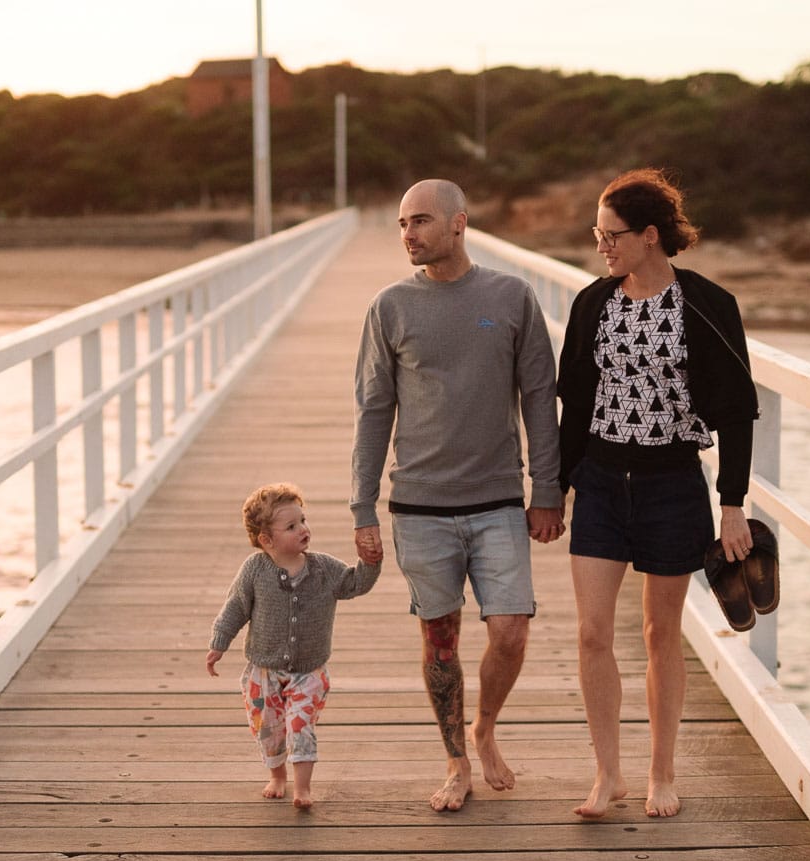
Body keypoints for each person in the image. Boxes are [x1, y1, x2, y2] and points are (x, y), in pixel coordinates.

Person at [352, 178, 564, 813]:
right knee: (438, 641)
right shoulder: (389, 306)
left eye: (419, 221)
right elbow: (372, 409)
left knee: (510, 631)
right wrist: (362, 508)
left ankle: (486, 727)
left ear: (458, 224)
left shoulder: (510, 297)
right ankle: (455, 760)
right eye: (400, 224)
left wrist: (547, 488)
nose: (408, 234)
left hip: (498, 497)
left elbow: (538, 397)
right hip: (419, 504)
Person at [556, 168, 759, 819]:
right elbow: (575, 404)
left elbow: (736, 410)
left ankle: (661, 773)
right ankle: (607, 773)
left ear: (650, 235)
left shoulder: (705, 303)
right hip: (600, 484)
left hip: (673, 484)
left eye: (612, 235)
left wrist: (732, 503)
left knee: (658, 631)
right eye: (597, 234)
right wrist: (552, 488)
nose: (602, 246)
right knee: (591, 632)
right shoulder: (593, 302)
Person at [208, 482, 381, 809]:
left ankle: (303, 788)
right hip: (263, 671)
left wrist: (369, 563)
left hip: (308, 671)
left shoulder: (323, 569)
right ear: (266, 540)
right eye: (291, 526)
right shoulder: (254, 571)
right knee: (269, 729)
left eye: (303, 521)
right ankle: (277, 777)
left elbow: (355, 583)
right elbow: (235, 607)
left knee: (301, 725)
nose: (303, 529)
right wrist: (219, 642)